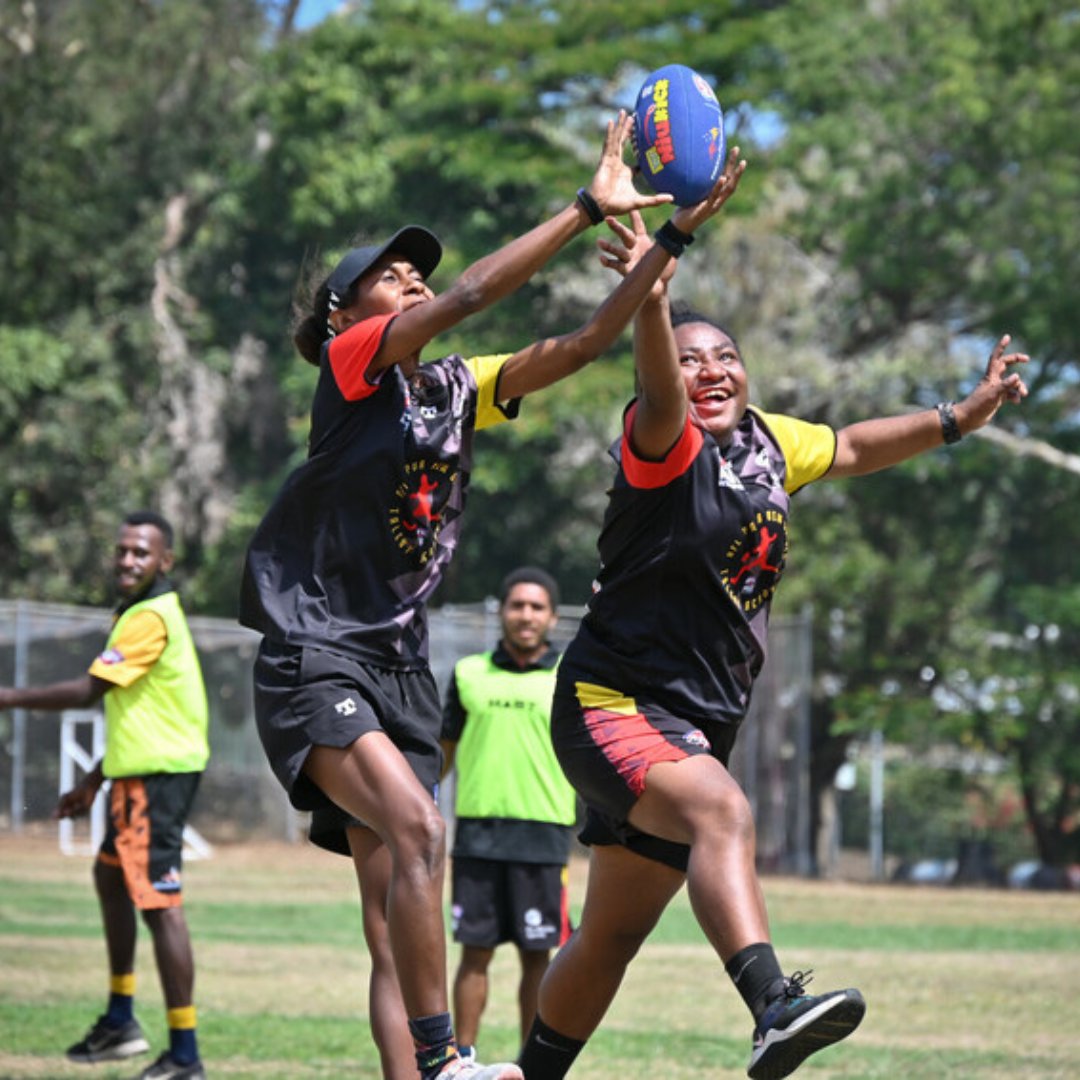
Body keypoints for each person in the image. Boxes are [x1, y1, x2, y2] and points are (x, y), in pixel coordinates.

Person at [238, 110, 747, 1080]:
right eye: (389, 275)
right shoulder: (354, 369)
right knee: (423, 828)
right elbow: (474, 292)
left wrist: (668, 246)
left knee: (398, 920)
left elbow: (587, 342)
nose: (414, 278)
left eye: (415, 270)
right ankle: (446, 1063)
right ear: (348, 314)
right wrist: (580, 208)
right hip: (316, 650)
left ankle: (423, 1072)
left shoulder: (454, 390)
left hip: (397, 665)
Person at [516, 211, 1030, 1080]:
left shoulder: (767, 444)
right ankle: (773, 1007)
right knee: (724, 814)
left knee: (610, 934)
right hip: (615, 703)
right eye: (691, 359)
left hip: (693, 720)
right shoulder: (662, 444)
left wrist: (958, 418)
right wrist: (656, 293)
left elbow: (858, 445)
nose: (711, 370)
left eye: (725, 356)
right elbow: (659, 380)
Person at [0, 511, 210, 1080]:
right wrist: (95, 780)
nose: (127, 560)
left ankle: (186, 1055)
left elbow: (90, 691)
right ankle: (120, 1020)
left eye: (141, 552)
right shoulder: (138, 612)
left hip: (159, 778)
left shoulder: (151, 616)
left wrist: (8, 696)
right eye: (122, 550)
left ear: (164, 562)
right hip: (137, 771)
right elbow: (134, 708)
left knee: (161, 906)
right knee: (109, 876)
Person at [441, 567, 577, 1060]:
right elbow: (443, 755)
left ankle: (531, 1063)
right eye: (517, 605)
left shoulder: (571, 678)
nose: (526, 615)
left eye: (536, 607)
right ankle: (463, 1059)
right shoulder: (468, 674)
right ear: (501, 611)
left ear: (553, 617)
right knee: (474, 953)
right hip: (478, 833)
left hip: (544, 835)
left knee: (537, 956)